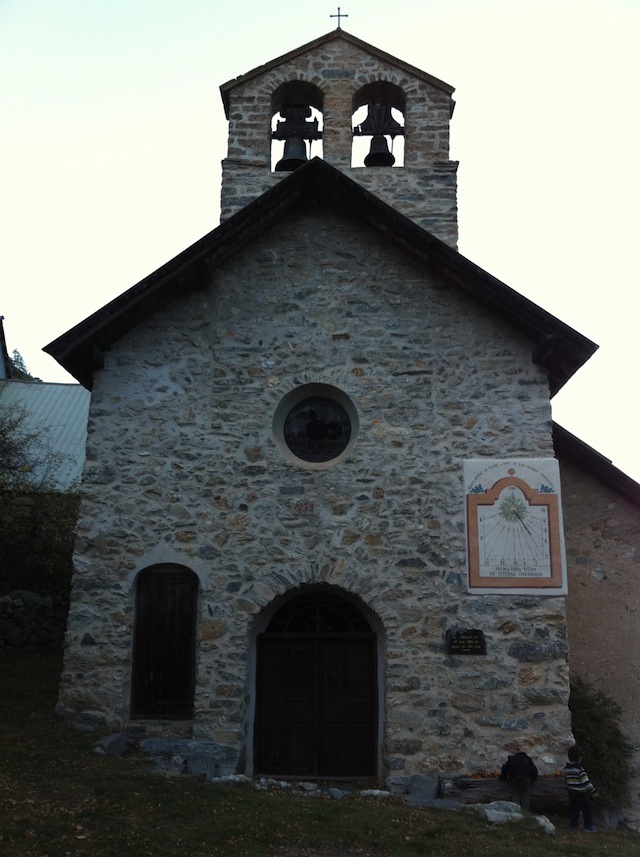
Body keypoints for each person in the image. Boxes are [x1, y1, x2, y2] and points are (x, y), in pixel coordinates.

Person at [563, 745, 598, 832]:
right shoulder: (579, 769)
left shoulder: (566, 769)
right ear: (579, 758)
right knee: (586, 810)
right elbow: (586, 782)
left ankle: (573, 826)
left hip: (571, 793)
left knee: (574, 810)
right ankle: (588, 827)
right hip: (581, 794)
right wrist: (593, 791)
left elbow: (566, 779)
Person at [499, 746, 538, 810]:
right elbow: (534, 770)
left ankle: (516, 810)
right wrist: (533, 779)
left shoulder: (512, 759)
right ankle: (525, 811)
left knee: (515, 793)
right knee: (525, 793)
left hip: (514, 777)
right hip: (526, 777)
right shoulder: (527, 759)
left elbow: (505, 769)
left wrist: (503, 778)